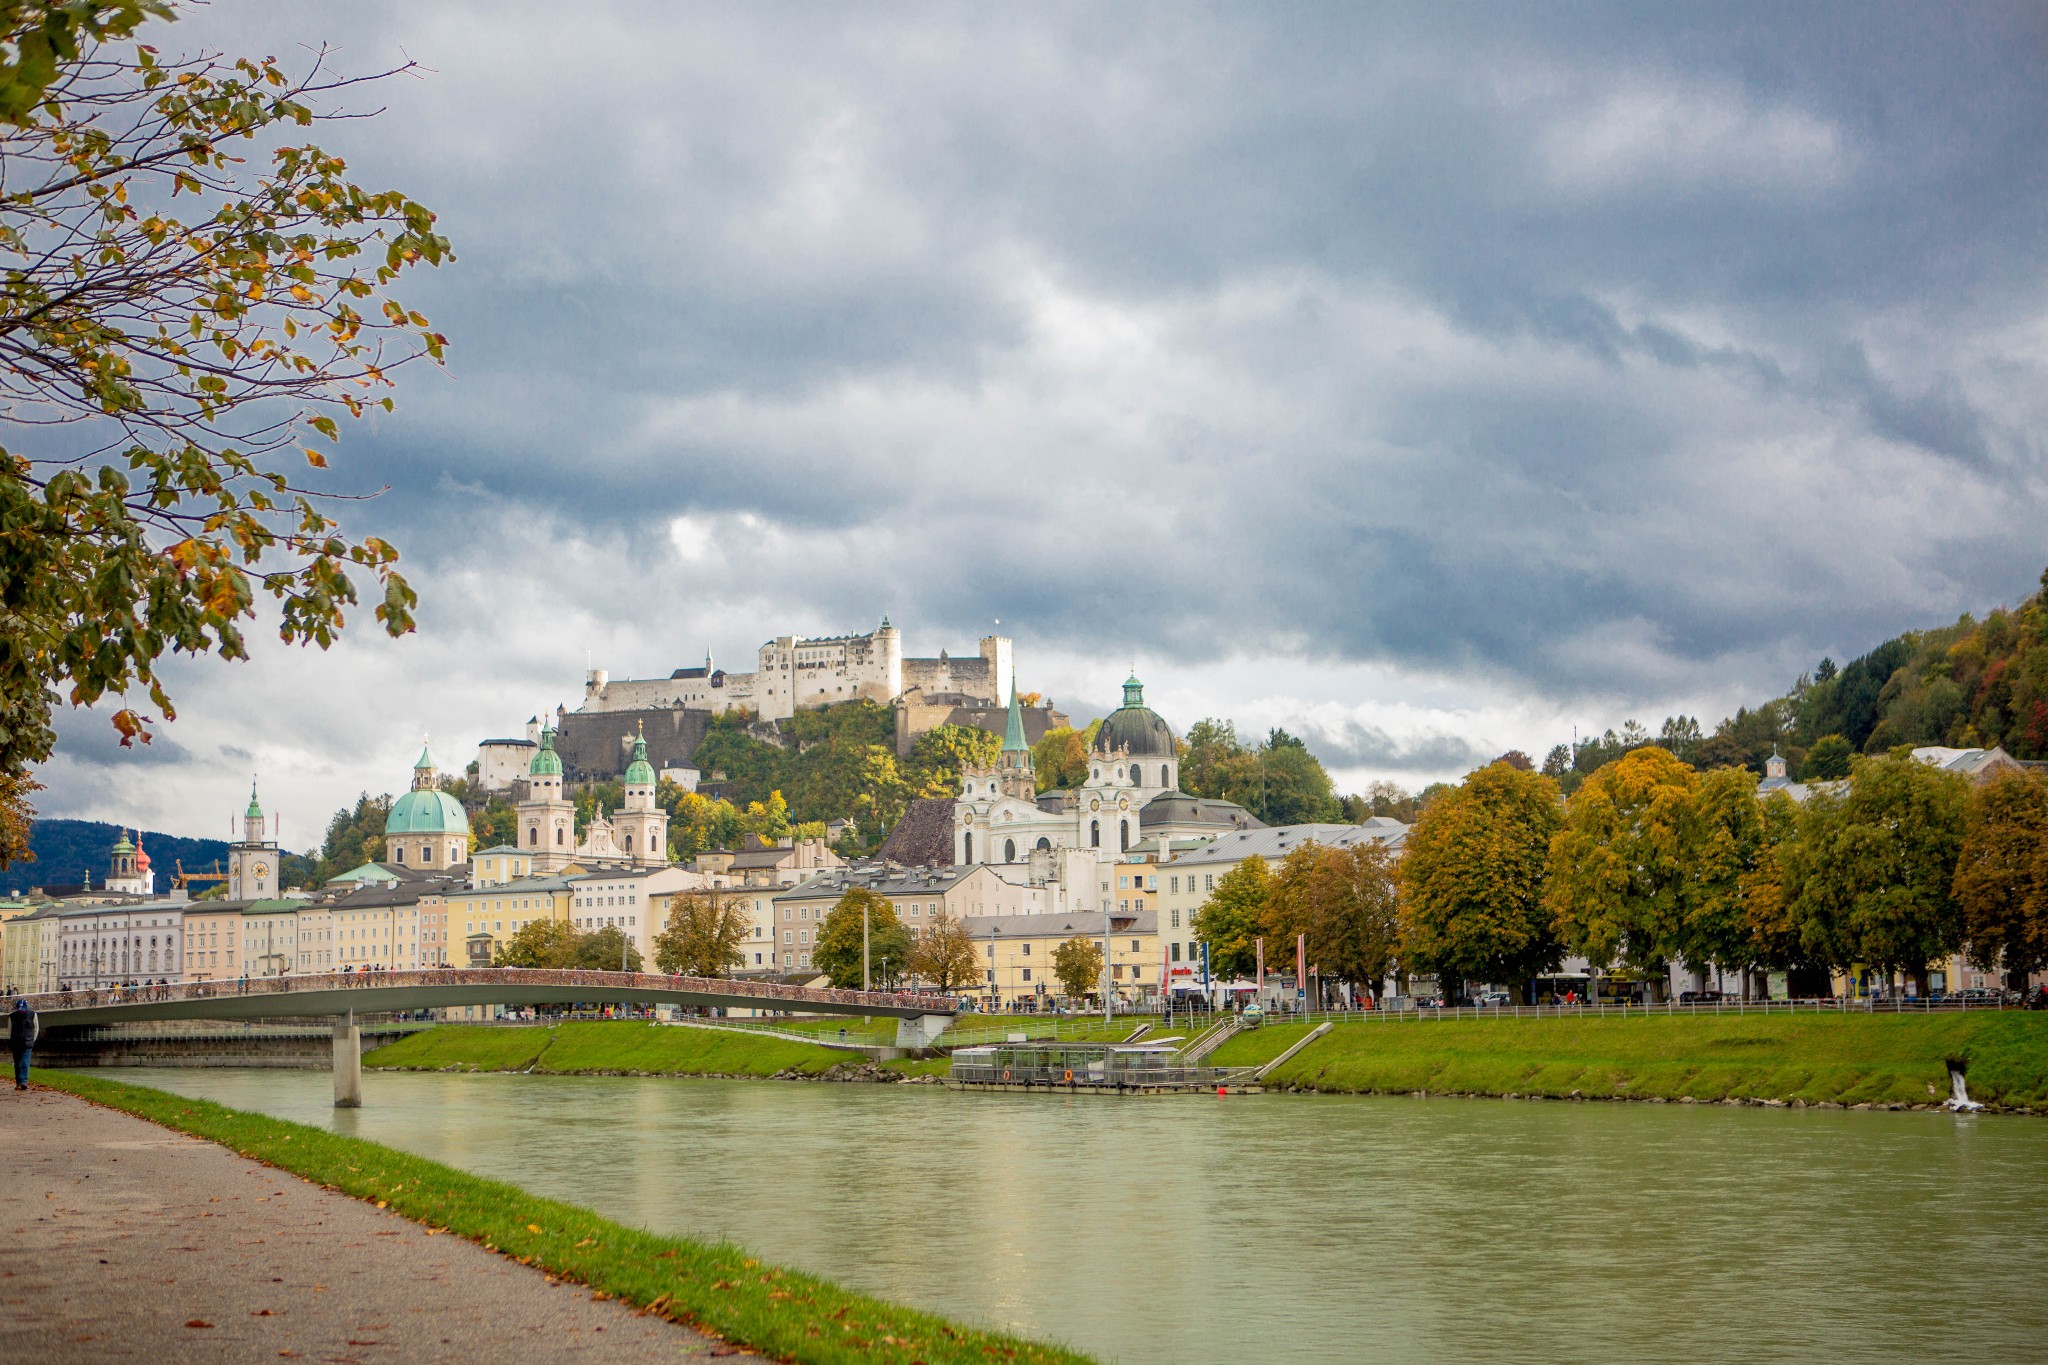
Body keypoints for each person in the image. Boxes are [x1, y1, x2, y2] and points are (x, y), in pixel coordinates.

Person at [8, 998, 37, 1091]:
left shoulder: (33, 1015)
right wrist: (11, 1040)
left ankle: (23, 1082)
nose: (21, 1011)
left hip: (27, 1042)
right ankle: (18, 1082)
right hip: (16, 1042)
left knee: (25, 1062)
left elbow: (36, 1028)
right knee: (18, 1064)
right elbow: (10, 1030)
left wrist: (33, 1039)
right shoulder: (12, 1016)